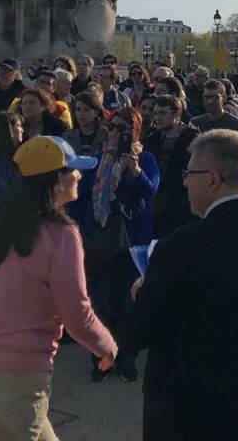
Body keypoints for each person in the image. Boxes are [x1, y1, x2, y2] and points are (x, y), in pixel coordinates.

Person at [121, 129, 238, 441]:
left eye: (188, 173)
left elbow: (139, 331)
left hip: (190, 411)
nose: (184, 182)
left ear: (211, 178)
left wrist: (140, 294)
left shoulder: (178, 247)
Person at [0, 136, 117, 439]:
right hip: (14, 382)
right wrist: (107, 348)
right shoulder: (61, 235)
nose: (79, 175)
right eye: (72, 169)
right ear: (55, 181)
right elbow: (77, 314)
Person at [71, 106, 159, 383]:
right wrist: (76, 232)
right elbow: (80, 198)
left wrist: (135, 169)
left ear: (135, 131)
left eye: (124, 128)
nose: (116, 133)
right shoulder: (97, 160)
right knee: (100, 302)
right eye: (112, 127)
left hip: (131, 239)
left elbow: (150, 190)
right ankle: (101, 358)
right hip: (99, 236)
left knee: (127, 302)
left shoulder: (145, 157)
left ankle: (126, 358)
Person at [143, 95, 199, 239]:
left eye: (163, 113)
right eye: (155, 113)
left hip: (180, 205)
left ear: (177, 114)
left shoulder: (192, 139)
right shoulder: (153, 138)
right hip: (156, 204)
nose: (158, 118)